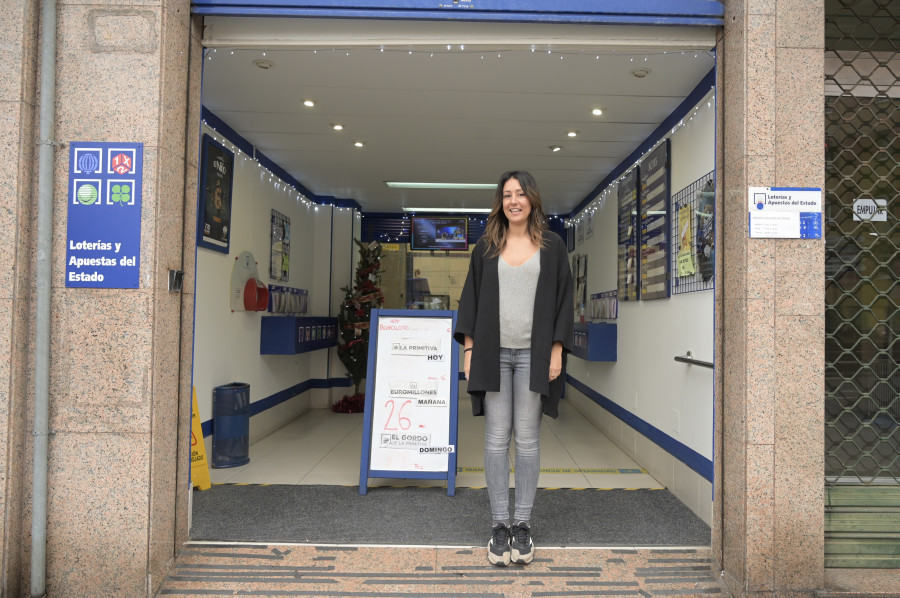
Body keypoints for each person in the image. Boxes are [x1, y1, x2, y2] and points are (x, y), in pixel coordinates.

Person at [454, 170, 574, 566]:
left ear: (533, 199)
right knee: (494, 438)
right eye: (507, 195)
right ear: (500, 202)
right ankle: (499, 526)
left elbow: (563, 301)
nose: (514, 201)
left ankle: (523, 524)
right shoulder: (487, 246)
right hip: (493, 353)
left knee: (526, 440)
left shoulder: (553, 246)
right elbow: (470, 298)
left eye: (521, 194)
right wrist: (469, 350)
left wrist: (556, 349)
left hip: (533, 355)